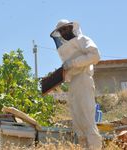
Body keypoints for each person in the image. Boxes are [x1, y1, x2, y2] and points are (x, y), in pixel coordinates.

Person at [50, 19, 102, 149]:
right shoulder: (66, 49)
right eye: (60, 30)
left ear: (71, 28)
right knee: (78, 122)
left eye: (65, 29)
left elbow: (95, 56)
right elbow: (69, 67)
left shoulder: (83, 39)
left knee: (87, 120)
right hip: (73, 84)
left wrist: (73, 63)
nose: (63, 32)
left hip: (84, 79)